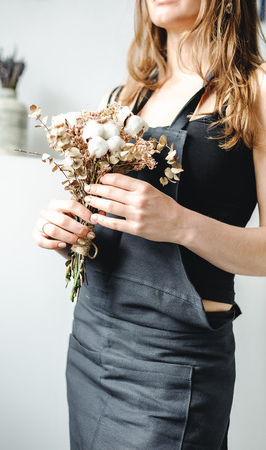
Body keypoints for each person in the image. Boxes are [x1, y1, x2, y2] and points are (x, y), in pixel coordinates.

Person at [33, 1, 266, 448]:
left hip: (174, 367)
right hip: (91, 342)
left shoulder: (254, 92)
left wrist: (179, 224)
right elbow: (104, 228)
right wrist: (69, 234)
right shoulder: (121, 98)